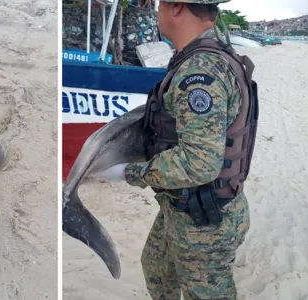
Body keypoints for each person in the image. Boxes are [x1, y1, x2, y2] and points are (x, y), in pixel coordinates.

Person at [90, 0, 259, 299]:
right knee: (157, 269)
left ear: (177, 7)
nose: (157, 11)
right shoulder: (203, 56)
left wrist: (129, 172)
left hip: (205, 221)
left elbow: (199, 162)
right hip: (184, 205)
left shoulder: (200, 73)